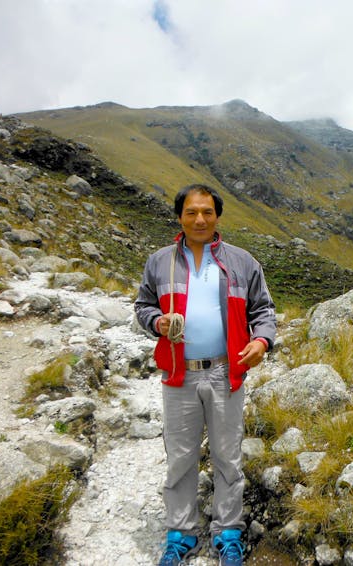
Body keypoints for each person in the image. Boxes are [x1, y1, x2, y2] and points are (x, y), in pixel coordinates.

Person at [135, 184, 276, 566]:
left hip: (225, 373)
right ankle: (181, 533)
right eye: (192, 212)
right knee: (181, 456)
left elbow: (263, 309)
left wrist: (262, 342)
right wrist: (157, 321)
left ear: (217, 216)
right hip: (179, 375)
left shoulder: (242, 262)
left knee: (227, 455)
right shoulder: (159, 261)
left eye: (207, 212)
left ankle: (227, 531)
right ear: (179, 215)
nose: (200, 219)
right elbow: (143, 305)